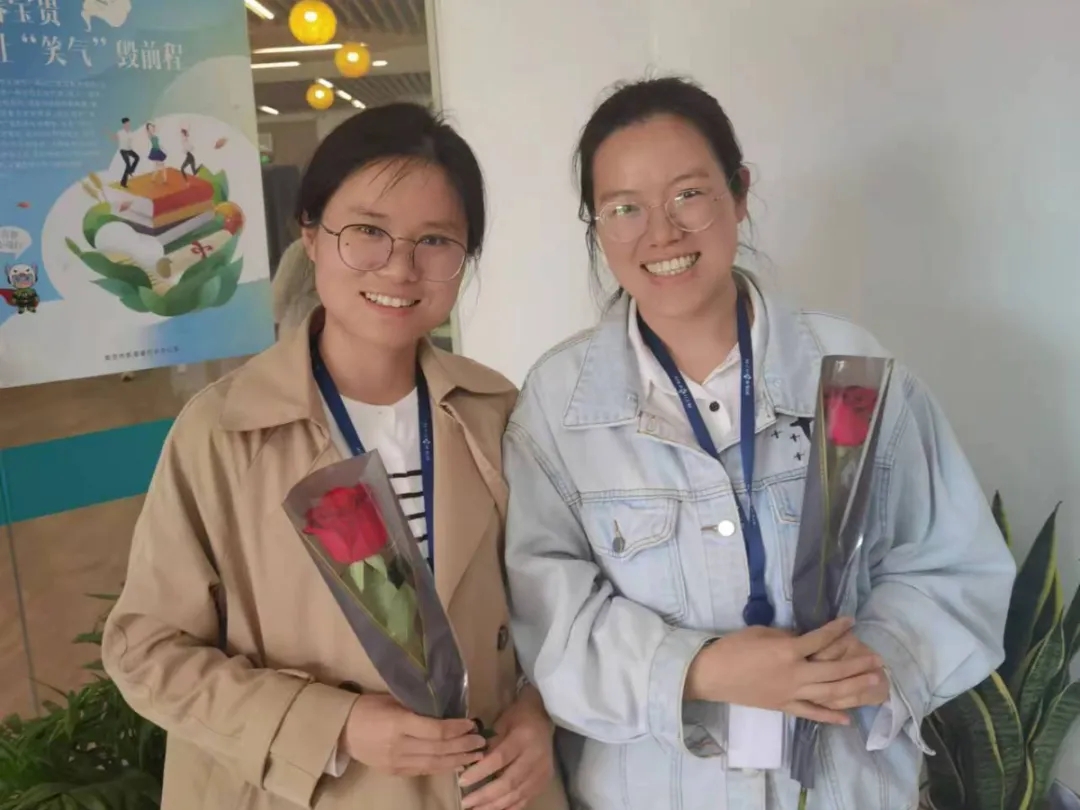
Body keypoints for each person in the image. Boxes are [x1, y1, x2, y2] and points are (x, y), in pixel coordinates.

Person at [502, 76, 1016, 810]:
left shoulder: (852, 372)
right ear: (596, 226)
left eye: (688, 194)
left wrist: (877, 660)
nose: (661, 233)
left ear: (739, 193)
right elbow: (550, 625)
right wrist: (702, 670)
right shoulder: (559, 407)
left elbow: (954, 562)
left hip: (844, 787)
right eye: (624, 208)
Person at [102, 104, 568, 810]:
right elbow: (146, 651)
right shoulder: (225, 432)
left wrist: (539, 714)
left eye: (435, 240)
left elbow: (559, 602)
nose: (401, 268)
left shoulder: (495, 410)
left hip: (487, 791)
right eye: (368, 232)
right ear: (312, 235)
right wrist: (334, 726)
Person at [111, 117, 139, 187]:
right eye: (127, 123)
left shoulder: (130, 133)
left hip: (129, 149)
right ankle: (124, 182)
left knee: (137, 157)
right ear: (124, 124)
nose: (128, 125)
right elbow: (114, 137)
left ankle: (130, 171)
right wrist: (113, 136)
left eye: (129, 123)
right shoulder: (120, 132)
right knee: (128, 163)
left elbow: (131, 142)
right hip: (123, 150)